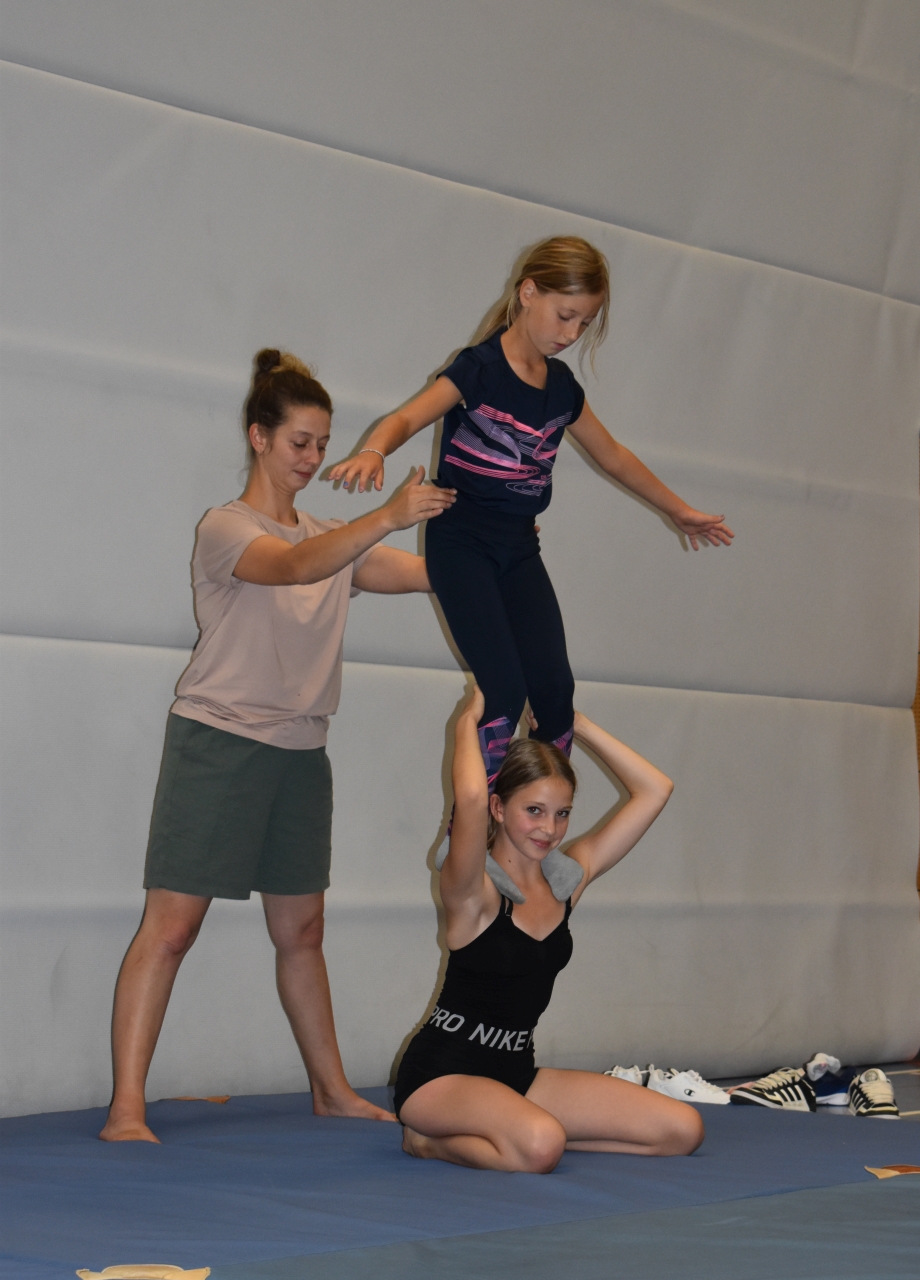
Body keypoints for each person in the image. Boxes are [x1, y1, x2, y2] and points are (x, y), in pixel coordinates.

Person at [101, 349, 455, 1143]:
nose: (313, 457)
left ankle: (331, 1090)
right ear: (258, 437)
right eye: (300, 441)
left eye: (323, 443)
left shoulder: (333, 536)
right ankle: (126, 1107)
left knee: (302, 933)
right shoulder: (226, 528)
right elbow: (294, 567)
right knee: (171, 930)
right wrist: (385, 517)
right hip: (219, 743)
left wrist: (489, 546)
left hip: (301, 753)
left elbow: (418, 572)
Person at [327, 236, 733, 896]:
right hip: (460, 542)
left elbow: (614, 456)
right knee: (503, 688)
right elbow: (406, 417)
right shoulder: (479, 369)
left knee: (555, 693)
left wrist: (678, 510)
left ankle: (530, 848)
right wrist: (374, 450)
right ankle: (466, 834)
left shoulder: (562, 389)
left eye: (584, 323)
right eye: (564, 316)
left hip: (518, 547)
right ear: (528, 293)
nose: (570, 334)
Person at [394, 683, 705, 1171]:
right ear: (500, 808)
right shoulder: (473, 890)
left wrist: (573, 724)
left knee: (682, 1130)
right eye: (533, 811)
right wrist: (468, 723)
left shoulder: (565, 883)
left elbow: (655, 789)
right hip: (441, 1076)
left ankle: (520, 1131)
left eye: (562, 814)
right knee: (541, 1146)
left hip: (518, 1073)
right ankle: (426, 1142)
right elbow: (470, 796)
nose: (549, 829)